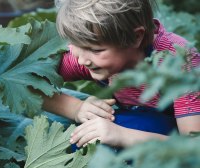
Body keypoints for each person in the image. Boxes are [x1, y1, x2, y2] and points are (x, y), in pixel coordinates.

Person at [42, 0, 200, 148]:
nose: (82, 60)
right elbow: (23, 83)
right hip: (143, 121)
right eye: (73, 45)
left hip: (183, 130)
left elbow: (193, 147)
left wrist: (121, 135)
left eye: (96, 50)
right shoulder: (86, 57)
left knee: (123, 129)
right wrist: (76, 108)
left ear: (136, 37)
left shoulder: (178, 61)